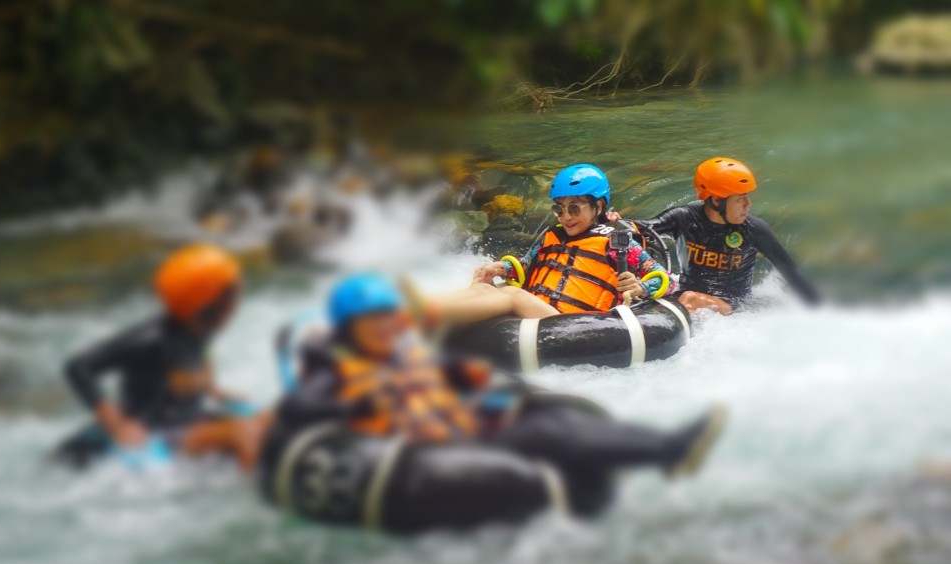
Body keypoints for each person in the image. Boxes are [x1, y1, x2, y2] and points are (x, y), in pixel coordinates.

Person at [259, 274, 724, 532]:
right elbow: (311, 415)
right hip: (419, 456)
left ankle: (666, 452)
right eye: (375, 323)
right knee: (531, 446)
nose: (387, 329)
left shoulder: (401, 354)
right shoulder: (335, 371)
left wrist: (531, 398)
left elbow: (466, 377)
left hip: (450, 432)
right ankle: (637, 469)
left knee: (548, 425)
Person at [61, 244, 271, 469]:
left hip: (188, 420)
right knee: (241, 433)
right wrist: (117, 425)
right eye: (235, 294)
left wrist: (212, 389)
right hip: (157, 432)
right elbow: (78, 367)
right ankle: (264, 488)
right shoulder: (150, 340)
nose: (237, 304)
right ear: (212, 305)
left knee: (269, 418)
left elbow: (200, 353)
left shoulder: (201, 328)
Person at [408, 164, 677, 326]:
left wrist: (641, 287)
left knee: (512, 296)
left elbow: (668, 280)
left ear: (598, 206)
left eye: (574, 208)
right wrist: (501, 268)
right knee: (482, 284)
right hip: (539, 309)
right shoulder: (553, 235)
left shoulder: (618, 242)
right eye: (559, 209)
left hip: (574, 322)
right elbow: (526, 266)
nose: (566, 216)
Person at [634, 157, 820, 315]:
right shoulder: (684, 218)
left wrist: (820, 313)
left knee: (690, 298)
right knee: (677, 295)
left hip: (735, 305)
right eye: (740, 199)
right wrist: (616, 222)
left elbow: (792, 273)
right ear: (716, 200)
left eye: (747, 197)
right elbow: (642, 229)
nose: (748, 205)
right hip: (688, 294)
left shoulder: (754, 229)